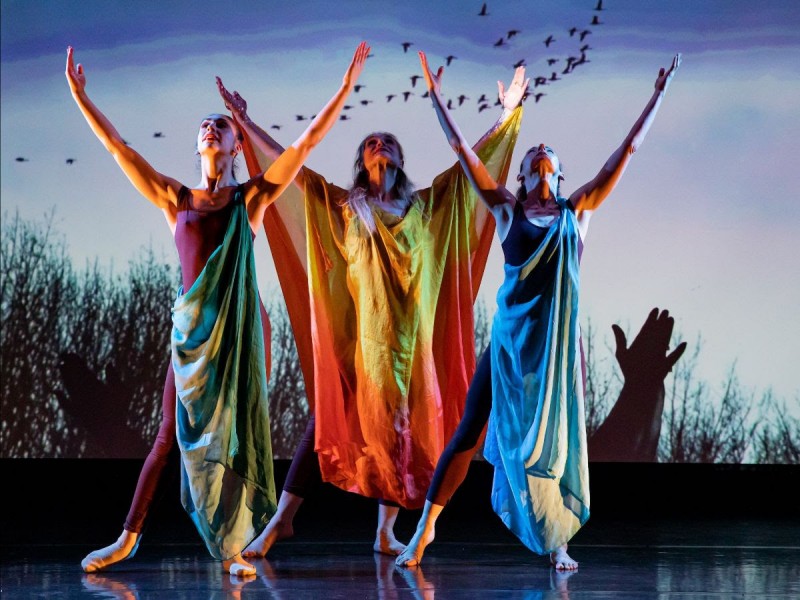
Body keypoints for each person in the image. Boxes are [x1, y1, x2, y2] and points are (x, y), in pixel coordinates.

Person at [66, 42, 370, 576]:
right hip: (192, 339)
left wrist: (344, 88)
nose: (211, 129)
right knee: (168, 438)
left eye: (220, 127)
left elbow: (303, 145)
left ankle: (236, 546)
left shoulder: (250, 199)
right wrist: (80, 96)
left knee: (236, 437)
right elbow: (118, 148)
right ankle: (126, 539)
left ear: (234, 147)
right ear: (198, 146)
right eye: (205, 126)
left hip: (238, 334)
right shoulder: (174, 198)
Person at [216, 63, 527, 557]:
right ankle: (280, 522)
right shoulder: (345, 207)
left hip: (414, 345)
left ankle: (384, 531)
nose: (378, 144)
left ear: (401, 158)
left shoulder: (429, 206)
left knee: (402, 435)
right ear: (363, 161)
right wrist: (248, 128)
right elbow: (289, 169)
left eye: (387, 142)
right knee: (328, 420)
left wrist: (507, 115)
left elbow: (476, 166)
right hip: (364, 341)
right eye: (370, 143)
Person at [396, 51, 682, 570]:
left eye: (548, 156)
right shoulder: (508, 211)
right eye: (532, 158)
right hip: (509, 346)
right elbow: (463, 152)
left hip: (554, 353)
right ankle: (423, 533)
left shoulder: (578, 213)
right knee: (467, 431)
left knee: (560, 442)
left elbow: (628, 152)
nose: (539, 156)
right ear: (525, 175)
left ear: (559, 171)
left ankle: (560, 542)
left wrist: (657, 96)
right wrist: (437, 97)